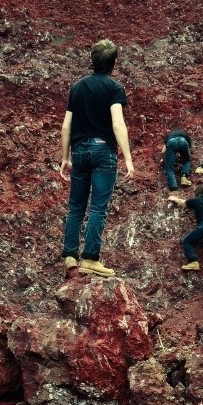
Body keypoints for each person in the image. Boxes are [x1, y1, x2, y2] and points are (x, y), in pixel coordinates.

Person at [58, 39, 136, 277]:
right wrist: (128, 158)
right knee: (98, 208)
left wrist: (65, 157)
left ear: (92, 60)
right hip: (103, 151)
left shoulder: (77, 87)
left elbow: (66, 127)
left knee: (76, 208)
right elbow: (117, 123)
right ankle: (90, 258)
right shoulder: (114, 88)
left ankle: (70, 256)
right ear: (114, 62)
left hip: (79, 151)